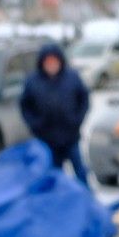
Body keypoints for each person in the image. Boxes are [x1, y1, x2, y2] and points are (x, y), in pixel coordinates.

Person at [19, 42, 91, 181]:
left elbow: (84, 99)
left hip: (70, 135)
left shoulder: (72, 77)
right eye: (48, 62)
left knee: (80, 171)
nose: (51, 65)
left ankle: (87, 199)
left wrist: (77, 119)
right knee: (54, 174)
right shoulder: (33, 81)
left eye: (54, 61)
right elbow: (24, 105)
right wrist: (35, 124)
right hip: (47, 138)